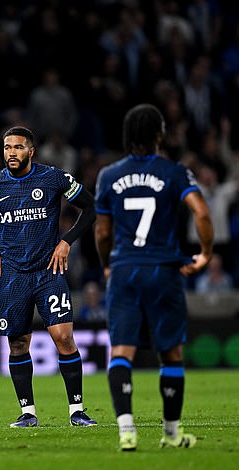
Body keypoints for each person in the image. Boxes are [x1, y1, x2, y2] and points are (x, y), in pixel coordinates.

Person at [0, 126, 97, 429]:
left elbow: (90, 207)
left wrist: (66, 241)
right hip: (13, 276)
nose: (11, 153)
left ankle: (77, 410)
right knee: (18, 344)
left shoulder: (52, 178)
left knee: (63, 338)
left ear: (30, 151)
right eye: (7, 147)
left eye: (18, 147)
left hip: (49, 271)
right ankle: (28, 413)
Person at [94, 103, 214, 452]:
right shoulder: (175, 172)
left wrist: (106, 264)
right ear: (160, 134)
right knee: (171, 353)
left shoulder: (108, 175)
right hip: (163, 269)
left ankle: (127, 431)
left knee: (121, 351)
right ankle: (172, 433)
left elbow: (102, 233)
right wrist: (205, 253)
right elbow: (202, 213)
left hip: (124, 268)